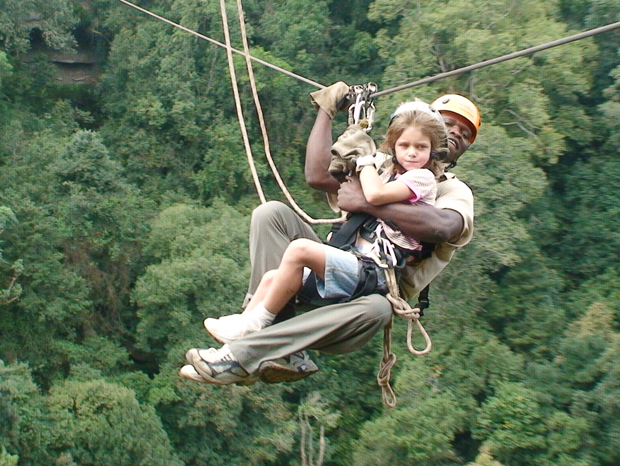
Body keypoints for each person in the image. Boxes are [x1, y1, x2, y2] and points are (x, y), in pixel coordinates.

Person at [181, 83, 481, 385]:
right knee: (271, 214)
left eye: (464, 133)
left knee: (378, 309)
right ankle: (269, 329)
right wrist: (326, 111)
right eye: (448, 123)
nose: (455, 132)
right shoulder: (383, 168)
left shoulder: (451, 190)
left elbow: (443, 227)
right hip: (340, 262)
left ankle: (242, 355)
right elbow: (319, 175)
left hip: (370, 293)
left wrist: (366, 202)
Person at [200, 101, 448, 345]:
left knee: (300, 250)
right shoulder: (390, 173)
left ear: (432, 151)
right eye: (404, 145)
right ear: (394, 147)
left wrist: (365, 160)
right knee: (271, 279)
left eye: (421, 147)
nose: (412, 153)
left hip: (375, 271)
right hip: (356, 261)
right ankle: (241, 335)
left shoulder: (422, 177)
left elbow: (374, 195)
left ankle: (257, 325)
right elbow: (327, 178)